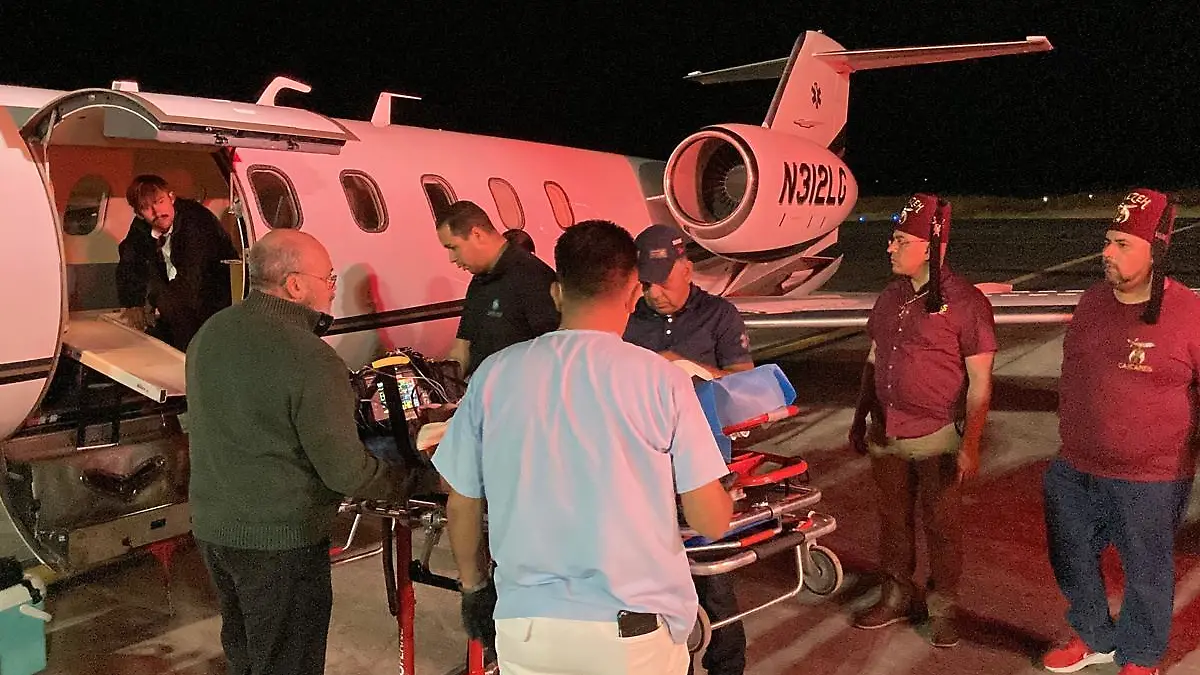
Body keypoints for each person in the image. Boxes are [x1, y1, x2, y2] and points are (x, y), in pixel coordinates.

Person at [434, 219, 734, 675]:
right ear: (633, 294)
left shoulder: (494, 374)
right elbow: (709, 520)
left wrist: (474, 589)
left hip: (526, 632)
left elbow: (461, 501)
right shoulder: (663, 381)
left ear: (556, 293)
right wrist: (724, 494)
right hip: (631, 639)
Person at [186, 229, 436, 675]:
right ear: (296, 285)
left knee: (247, 656)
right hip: (281, 543)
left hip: (215, 531)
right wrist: (419, 481)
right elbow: (346, 471)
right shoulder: (311, 358)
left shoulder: (211, 332)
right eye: (329, 278)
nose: (333, 289)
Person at [1041, 189, 1200, 675]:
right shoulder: (1092, 301)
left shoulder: (1189, 314)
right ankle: (1094, 635)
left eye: (1123, 243)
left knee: (1146, 570)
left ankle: (1141, 654)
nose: (1107, 251)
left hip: (1151, 476)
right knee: (1070, 554)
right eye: (1108, 240)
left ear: (1157, 251)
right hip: (1076, 465)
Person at [848, 193, 997, 647]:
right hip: (886, 431)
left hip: (937, 437)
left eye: (899, 240)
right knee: (893, 522)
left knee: (942, 526)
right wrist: (860, 417)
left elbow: (980, 382)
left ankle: (943, 607)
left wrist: (970, 443)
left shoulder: (967, 303)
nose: (889, 247)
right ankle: (896, 594)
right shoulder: (890, 297)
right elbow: (874, 358)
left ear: (930, 247)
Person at [622, 223, 751, 675]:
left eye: (662, 281)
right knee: (647, 579)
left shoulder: (719, 315)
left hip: (703, 463)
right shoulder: (628, 319)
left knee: (714, 576)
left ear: (687, 269)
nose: (654, 293)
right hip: (641, 468)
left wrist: (687, 369)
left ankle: (727, 666)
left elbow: (745, 387)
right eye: (645, 284)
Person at [115, 174, 238, 350]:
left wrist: (154, 300)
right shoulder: (141, 227)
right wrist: (133, 303)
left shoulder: (196, 222)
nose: (157, 212)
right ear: (139, 214)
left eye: (160, 201)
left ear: (171, 198)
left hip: (211, 305)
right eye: (146, 208)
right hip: (175, 302)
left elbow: (192, 279)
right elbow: (129, 262)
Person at [437, 201, 558, 378]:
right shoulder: (479, 280)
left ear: (477, 234)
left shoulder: (532, 277)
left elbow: (551, 354)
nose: (452, 258)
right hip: (482, 389)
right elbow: (462, 347)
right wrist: (444, 384)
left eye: (453, 247)